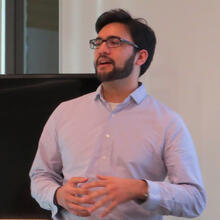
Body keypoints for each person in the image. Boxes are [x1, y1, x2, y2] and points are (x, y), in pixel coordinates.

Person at [29, 9, 206, 220]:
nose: (102, 50)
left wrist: (140, 189)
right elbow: (40, 176)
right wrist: (58, 195)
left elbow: (195, 200)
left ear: (140, 56)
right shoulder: (65, 112)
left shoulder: (167, 122)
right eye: (98, 42)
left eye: (114, 42)